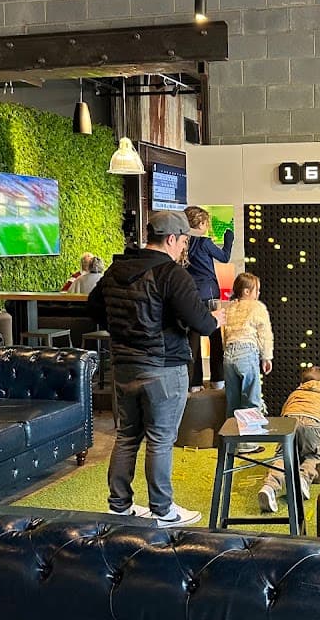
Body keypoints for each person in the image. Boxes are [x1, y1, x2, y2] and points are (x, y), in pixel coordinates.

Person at [87, 210, 222, 527]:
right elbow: (200, 323)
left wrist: (124, 329)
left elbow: (94, 307)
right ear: (173, 239)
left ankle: (119, 506)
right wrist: (218, 319)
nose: (184, 248)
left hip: (124, 365)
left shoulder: (117, 270)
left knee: (127, 436)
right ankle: (163, 511)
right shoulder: (172, 274)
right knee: (160, 440)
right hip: (163, 367)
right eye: (184, 242)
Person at [258, 365, 320, 514]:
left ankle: (270, 487)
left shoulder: (295, 394)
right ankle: (303, 479)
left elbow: (284, 412)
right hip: (312, 424)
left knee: (283, 456)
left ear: (302, 383)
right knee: (312, 455)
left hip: (290, 423)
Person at [184, 205, 234, 391]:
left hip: (190, 295)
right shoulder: (205, 243)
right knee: (214, 337)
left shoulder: (184, 243)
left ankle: (194, 382)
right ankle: (218, 379)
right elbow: (225, 257)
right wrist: (228, 239)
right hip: (210, 295)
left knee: (193, 340)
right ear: (201, 223)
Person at [223, 271, 274, 454]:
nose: (258, 293)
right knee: (251, 398)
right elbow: (265, 334)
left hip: (228, 355)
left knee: (232, 400)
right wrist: (266, 357)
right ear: (246, 291)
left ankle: (230, 442)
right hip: (247, 352)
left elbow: (225, 334)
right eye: (256, 290)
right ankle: (248, 443)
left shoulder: (229, 308)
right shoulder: (257, 307)